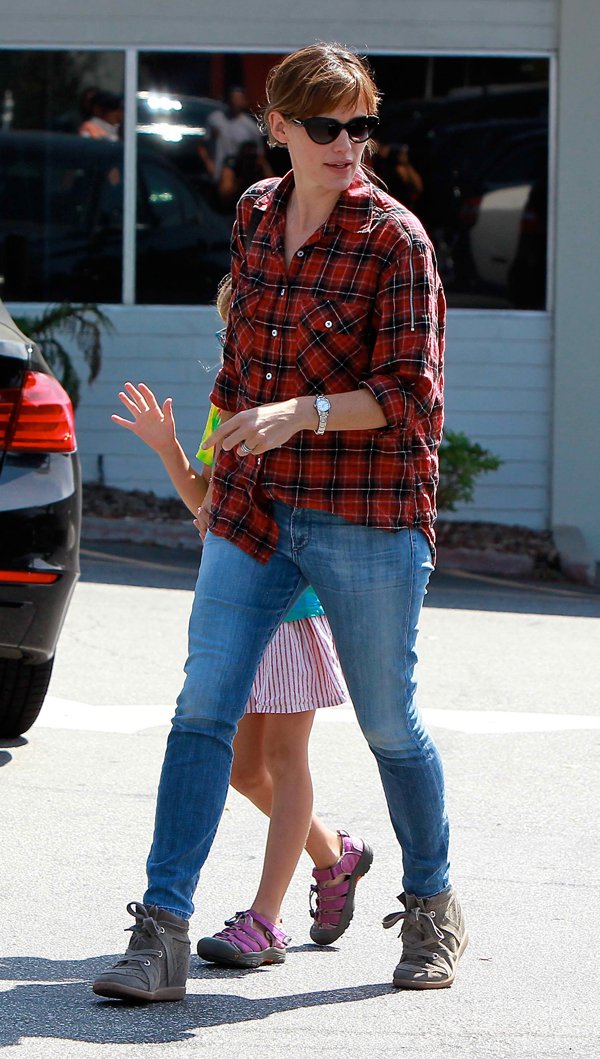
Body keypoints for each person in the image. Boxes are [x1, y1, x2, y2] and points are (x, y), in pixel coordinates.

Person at [93, 41, 467, 1003]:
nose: (350, 144)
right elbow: (242, 358)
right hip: (256, 512)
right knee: (202, 710)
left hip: (368, 515)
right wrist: (212, 457)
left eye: (361, 125)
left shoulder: (398, 241)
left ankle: (430, 904)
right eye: (329, 126)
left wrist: (302, 413)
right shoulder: (257, 214)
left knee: (389, 723)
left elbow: (413, 399)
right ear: (283, 129)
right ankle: (161, 929)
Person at [99, 274, 372, 985]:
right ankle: (336, 852)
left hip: (292, 608)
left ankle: (264, 917)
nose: (238, 338)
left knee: (284, 761)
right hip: (237, 604)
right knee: (245, 770)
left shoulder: (298, 403)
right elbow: (208, 507)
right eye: (231, 328)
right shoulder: (228, 401)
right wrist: (167, 448)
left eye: (245, 324)